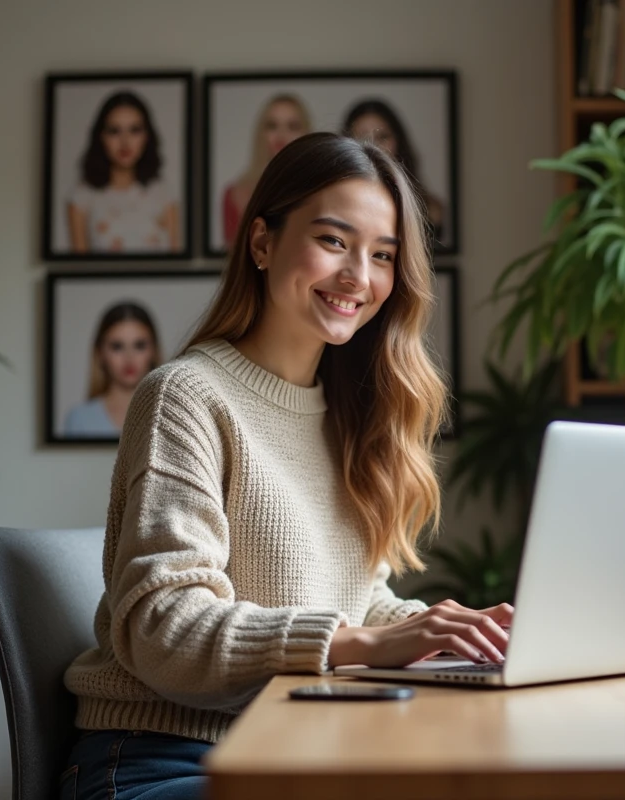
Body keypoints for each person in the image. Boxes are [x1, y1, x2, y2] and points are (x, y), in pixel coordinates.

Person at [59, 132, 513, 800]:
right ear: (263, 243)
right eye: (334, 241)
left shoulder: (353, 415)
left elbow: (356, 604)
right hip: (162, 760)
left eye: (383, 255)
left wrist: (456, 636)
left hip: (292, 751)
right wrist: (357, 643)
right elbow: (163, 629)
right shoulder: (186, 396)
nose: (360, 276)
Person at [66, 90, 180, 254]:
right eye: (114, 131)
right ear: (101, 136)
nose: (125, 142)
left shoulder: (164, 193)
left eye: (134, 130)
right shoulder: (81, 197)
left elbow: (174, 266)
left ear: (147, 136)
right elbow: (79, 272)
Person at [341, 98, 445, 242]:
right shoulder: (336, 205)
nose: (374, 146)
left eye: (382, 137)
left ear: (398, 141)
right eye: (362, 137)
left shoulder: (431, 210)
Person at [220, 93, 311, 248]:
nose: (281, 135)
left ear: (305, 132)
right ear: (261, 133)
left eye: (292, 126)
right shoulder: (236, 193)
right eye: (272, 126)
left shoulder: (322, 189)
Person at [63, 302, 162, 438]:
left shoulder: (170, 415)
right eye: (117, 346)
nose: (129, 358)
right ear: (100, 353)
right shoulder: (79, 419)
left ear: (154, 351)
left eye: (139, 345)